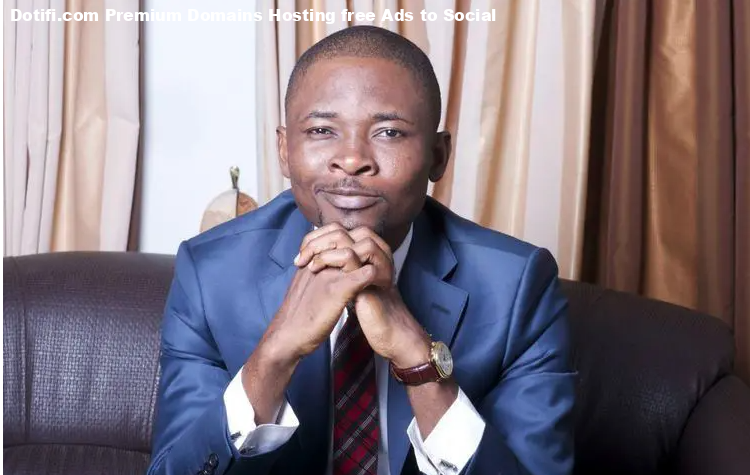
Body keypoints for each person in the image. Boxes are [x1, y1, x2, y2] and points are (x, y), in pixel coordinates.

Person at [147, 25, 575, 475]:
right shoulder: (210, 274)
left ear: (438, 156)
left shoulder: (517, 287)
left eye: (389, 132)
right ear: (284, 150)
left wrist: (418, 359)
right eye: (321, 130)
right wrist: (272, 357)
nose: (352, 159)